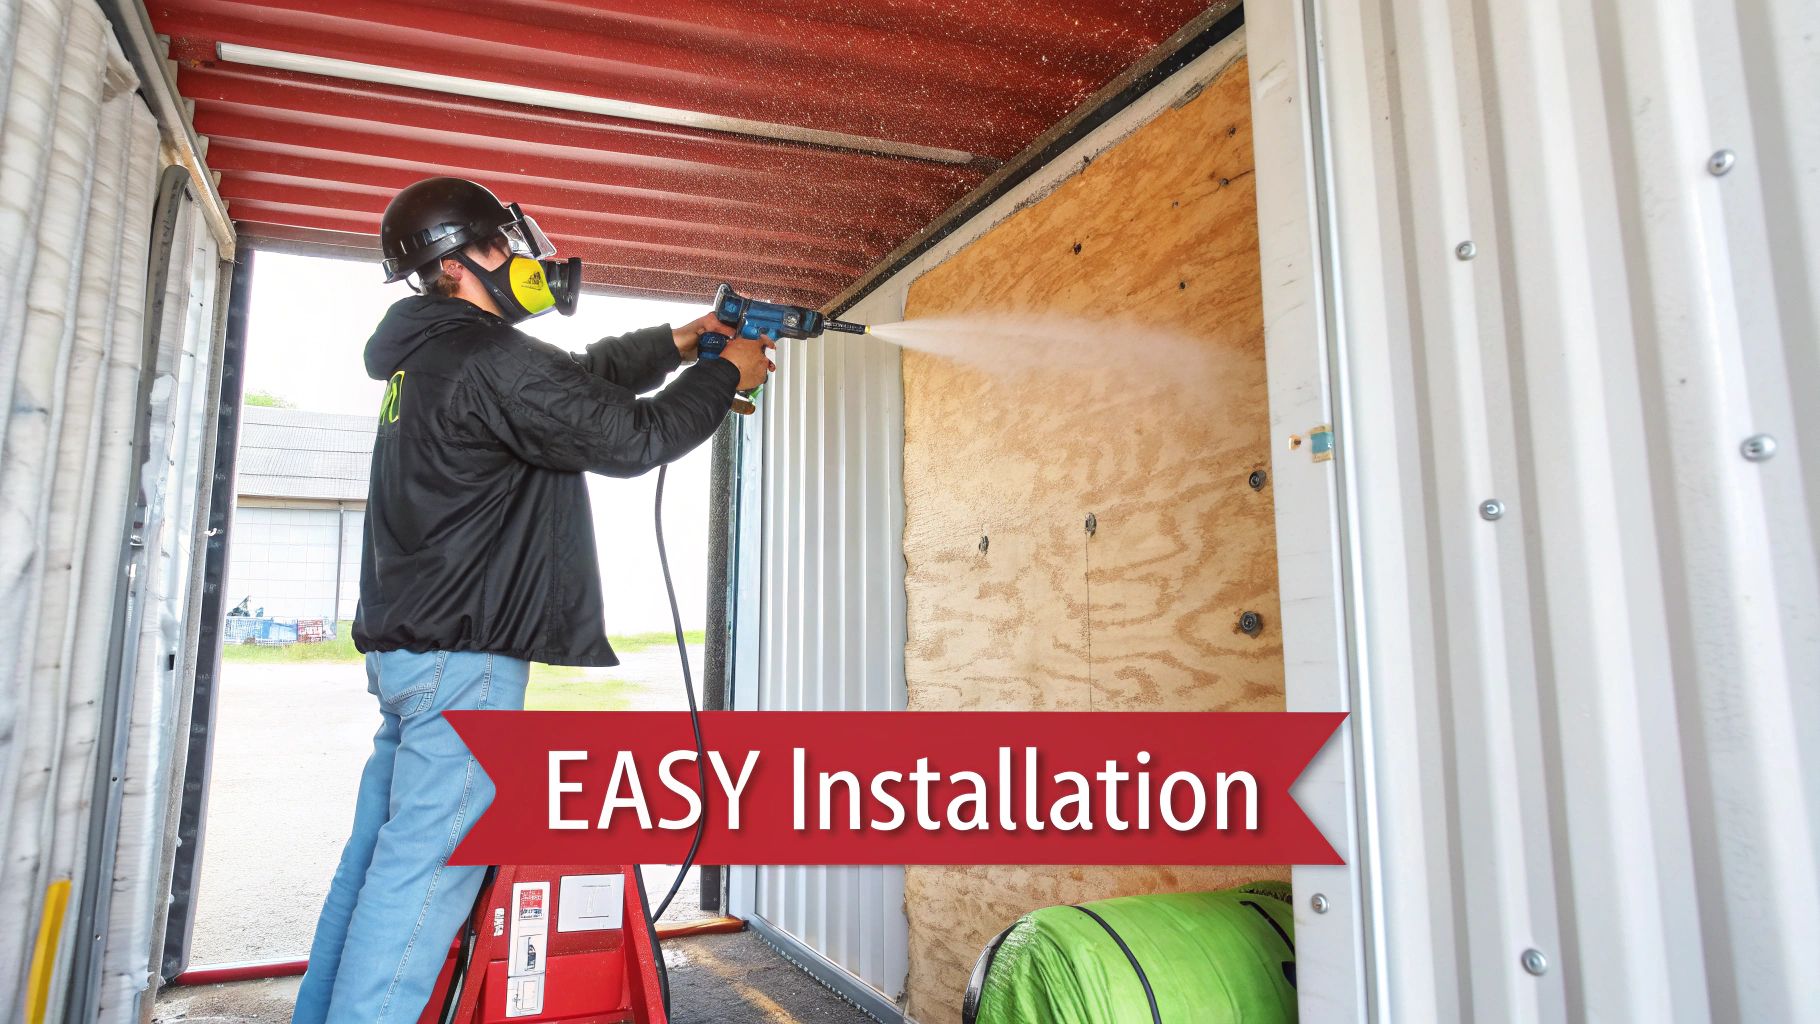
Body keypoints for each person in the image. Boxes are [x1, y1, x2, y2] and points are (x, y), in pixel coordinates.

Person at [292, 177, 773, 1023]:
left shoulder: (432, 354)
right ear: (469, 256)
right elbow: (631, 436)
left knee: (379, 866)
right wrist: (724, 374)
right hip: (462, 663)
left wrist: (681, 340)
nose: (524, 259)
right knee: (426, 879)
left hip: (415, 658)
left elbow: (577, 381)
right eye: (506, 245)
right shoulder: (485, 357)